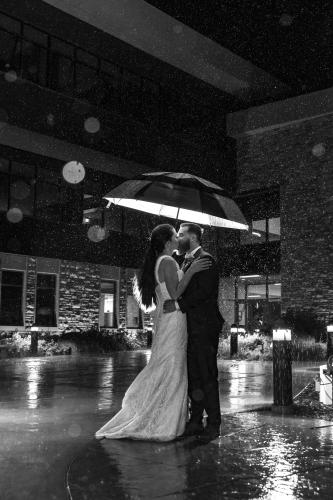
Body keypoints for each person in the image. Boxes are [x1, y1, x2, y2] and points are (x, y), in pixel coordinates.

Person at [95, 224, 211, 441]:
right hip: (174, 320)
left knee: (167, 363)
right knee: (172, 364)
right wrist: (192, 270)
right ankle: (165, 422)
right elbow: (176, 293)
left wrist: (184, 270)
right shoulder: (167, 261)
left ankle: (166, 416)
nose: (179, 240)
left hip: (167, 319)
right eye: (176, 237)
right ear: (168, 242)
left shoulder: (160, 261)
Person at [164, 223, 224, 441]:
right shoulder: (186, 260)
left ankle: (214, 423)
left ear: (193, 237)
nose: (178, 238)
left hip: (204, 327)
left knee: (207, 375)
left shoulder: (206, 260)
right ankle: (196, 420)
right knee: (193, 376)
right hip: (188, 328)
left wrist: (178, 305)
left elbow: (203, 293)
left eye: (181, 235)